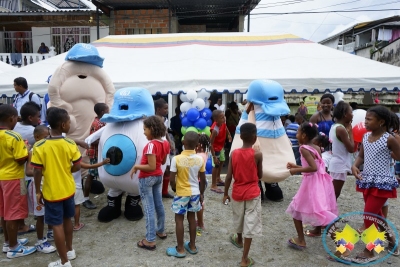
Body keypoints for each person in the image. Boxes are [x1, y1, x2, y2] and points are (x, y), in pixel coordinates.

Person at [31, 107, 82, 267]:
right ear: (62, 125)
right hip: (68, 189)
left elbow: (37, 171)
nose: (69, 125)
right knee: (67, 219)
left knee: (56, 224)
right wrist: (67, 170)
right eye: (68, 122)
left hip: (52, 192)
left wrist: (38, 192)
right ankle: (69, 251)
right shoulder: (69, 143)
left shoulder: (40, 146)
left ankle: (64, 262)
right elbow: (77, 166)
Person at [352, 106, 400, 263]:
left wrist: (395, 149)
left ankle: (370, 250)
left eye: (369, 119)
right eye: (365, 118)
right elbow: (361, 156)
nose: (365, 122)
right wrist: (354, 166)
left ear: (381, 122)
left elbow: (398, 155)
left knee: (369, 215)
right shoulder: (365, 137)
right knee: (377, 215)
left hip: (382, 183)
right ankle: (392, 241)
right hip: (367, 181)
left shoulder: (389, 138)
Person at [286, 122, 338, 250]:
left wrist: (295, 170)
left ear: (303, 135)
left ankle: (343, 245)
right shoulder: (316, 147)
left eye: (298, 132)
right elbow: (316, 166)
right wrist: (296, 166)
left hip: (311, 184)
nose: (296, 134)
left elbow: (313, 168)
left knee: (313, 213)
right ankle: (301, 239)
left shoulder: (303, 148)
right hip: (319, 182)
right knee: (299, 210)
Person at [223, 123, 263, 267]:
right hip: (252, 193)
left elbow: (228, 177)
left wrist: (225, 194)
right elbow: (260, 175)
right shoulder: (257, 154)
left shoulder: (234, 153)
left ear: (240, 137)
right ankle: (244, 259)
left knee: (239, 218)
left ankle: (238, 239)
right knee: (250, 224)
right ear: (255, 138)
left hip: (237, 193)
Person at [0, 104, 36, 258]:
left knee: (4, 212)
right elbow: (20, 159)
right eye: (16, 118)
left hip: (1, 177)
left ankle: (8, 242)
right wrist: (27, 150)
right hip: (13, 178)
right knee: (13, 213)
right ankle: (14, 248)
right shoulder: (14, 136)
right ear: (11, 118)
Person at [130, 116, 169, 251]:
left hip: (147, 178)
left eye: (145, 129)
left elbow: (151, 166)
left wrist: (137, 167)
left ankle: (150, 240)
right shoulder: (165, 143)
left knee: (148, 208)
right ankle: (161, 230)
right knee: (158, 204)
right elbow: (162, 162)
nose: (144, 132)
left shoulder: (150, 145)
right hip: (158, 177)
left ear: (152, 129)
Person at [167, 131, 206, 258]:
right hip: (195, 193)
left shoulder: (176, 159)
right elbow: (203, 180)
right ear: (197, 145)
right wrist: (201, 194)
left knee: (179, 220)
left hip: (181, 193)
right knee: (191, 218)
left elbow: (172, 180)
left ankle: (180, 249)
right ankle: (193, 246)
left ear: (183, 143)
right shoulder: (200, 159)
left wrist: (174, 189)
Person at [24, 125, 56, 254]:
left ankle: (50, 232)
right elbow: (29, 171)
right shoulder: (33, 151)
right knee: (40, 215)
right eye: (45, 136)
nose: (48, 138)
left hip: (47, 184)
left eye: (49, 136)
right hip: (36, 186)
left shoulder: (46, 149)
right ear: (37, 137)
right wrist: (43, 172)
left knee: (49, 210)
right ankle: (40, 241)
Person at [73, 158, 110, 231]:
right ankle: (76, 224)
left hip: (64, 187)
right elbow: (89, 166)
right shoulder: (74, 160)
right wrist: (102, 163)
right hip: (75, 186)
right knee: (76, 206)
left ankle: (63, 224)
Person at [83, 103, 109, 210]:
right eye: (107, 110)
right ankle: (85, 199)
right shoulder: (97, 124)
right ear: (102, 112)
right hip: (95, 153)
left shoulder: (102, 122)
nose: (109, 112)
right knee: (91, 175)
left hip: (99, 152)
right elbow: (92, 139)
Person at [328, 101, 354, 199]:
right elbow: (351, 148)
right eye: (351, 112)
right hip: (340, 164)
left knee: (334, 192)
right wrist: (351, 132)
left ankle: (328, 211)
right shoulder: (341, 129)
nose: (352, 114)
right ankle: (328, 212)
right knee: (334, 193)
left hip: (337, 162)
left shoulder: (335, 126)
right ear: (345, 114)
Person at [154, 98, 175, 198]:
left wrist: (170, 142)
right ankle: (157, 192)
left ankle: (164, 191)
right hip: (158, 146)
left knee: (167, 168)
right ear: (158, 109)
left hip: (165, 145)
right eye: (165, 108)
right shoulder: (153, 120)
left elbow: (165, 131)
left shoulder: (164, 119)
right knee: (158, 169)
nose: (166, 110)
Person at [210, 110, 232, 193]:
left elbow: (225, 128)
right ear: (216, 120)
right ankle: (213, 185)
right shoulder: (215, 130)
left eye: (224, 117)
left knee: (222, 161)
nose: (224, 119)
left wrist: (229, 135)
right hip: (215, 148)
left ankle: (218, 178)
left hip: (221, 146)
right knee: (216, 165)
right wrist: (214, 157)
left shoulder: (223, 123)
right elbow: (210, 144)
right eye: (221, 117)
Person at [195, 133, 210, 234]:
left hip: (198, 182)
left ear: (199, 145)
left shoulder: (198, 156)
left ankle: (200, 223)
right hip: (201, 182)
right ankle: (200, 222)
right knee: (200, 201)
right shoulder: (204, 154)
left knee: (199, 202)